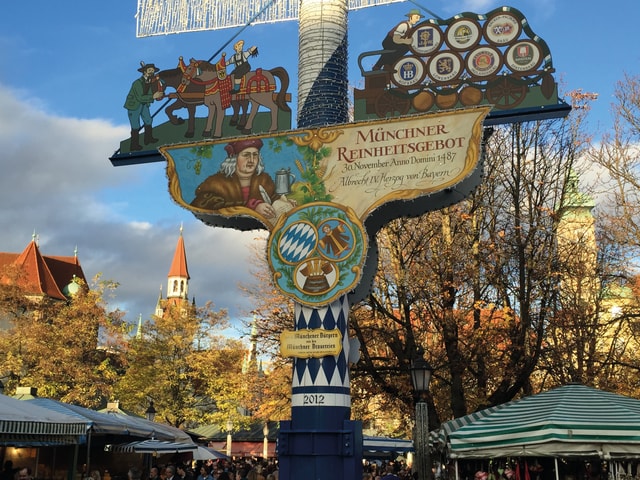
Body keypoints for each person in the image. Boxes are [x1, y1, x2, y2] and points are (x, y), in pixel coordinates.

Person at [190, 138, 295, 221]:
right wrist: (250, 208)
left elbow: (272, 198)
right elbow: (203, 205)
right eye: (246, 155)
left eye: (255, 155)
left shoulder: (263, 179)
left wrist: (284, 203)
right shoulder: (216, 182)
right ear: (234, 158)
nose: (251, 160)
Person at [124, 61, 165, 151]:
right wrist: (153, 96)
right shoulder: (137, 83)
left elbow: (149, 93)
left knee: (148, 120)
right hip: (134, 105)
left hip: (144, 104)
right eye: (149, 70)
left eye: (153, 70)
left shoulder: (149, 82)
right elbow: (140, 97)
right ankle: (134, 145)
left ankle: (148, 139)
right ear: (144, 72)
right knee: (135, 125)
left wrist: (155, 96)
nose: (151, 72)